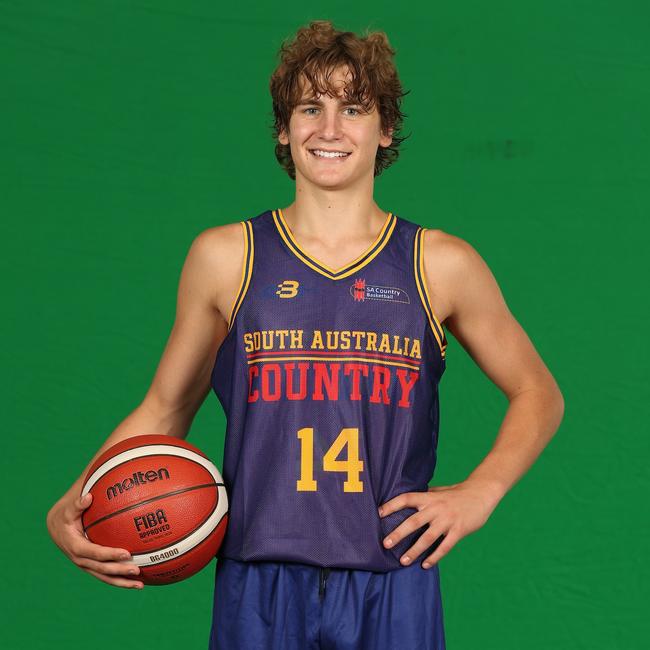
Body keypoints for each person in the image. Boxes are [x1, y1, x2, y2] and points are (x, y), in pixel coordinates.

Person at [46, 19, 564, 650]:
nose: (330, 129)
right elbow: (165, 408)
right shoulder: (227, 256)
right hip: (258, 578)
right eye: (309, 108)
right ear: (284, 130)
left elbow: (538, 391)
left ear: (386, 129)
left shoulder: (438, 263)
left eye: (354, 108)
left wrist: (482, 492)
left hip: (391, 574)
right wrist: (76, 501)